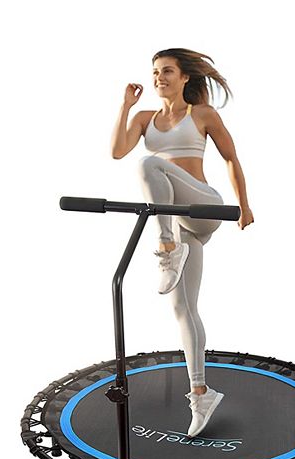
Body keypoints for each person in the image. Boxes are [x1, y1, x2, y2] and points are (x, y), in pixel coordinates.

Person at [110, 47, 254, 438]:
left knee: (149, 164)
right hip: (177, 221)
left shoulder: (202, 114)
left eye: (168, 71)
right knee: (183, 309)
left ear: (185, 77)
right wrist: (125, 106)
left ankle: (166, 248)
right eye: (156, 72)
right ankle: (201, 394)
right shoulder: (145, 119)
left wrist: (244, 205)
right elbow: (117, 151)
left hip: (204, 206)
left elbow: (231, 158)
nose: (160, 77)